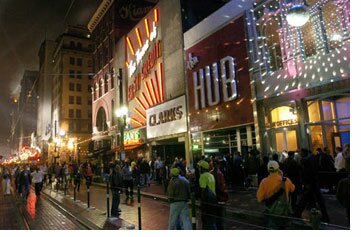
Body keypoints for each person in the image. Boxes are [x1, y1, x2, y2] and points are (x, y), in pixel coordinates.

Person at [257, 160, 295, 229]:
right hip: (284, 212)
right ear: (278, 168)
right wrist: (282, 176)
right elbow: (292, 189)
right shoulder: (285, 180)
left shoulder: (264, 182)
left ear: (268, 170)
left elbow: (260, 199)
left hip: (271, 212)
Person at [295, 148, 330, 223]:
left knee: (304, 199)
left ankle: (298, 213)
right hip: (314, 182)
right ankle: (325, 216)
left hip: (309, 183)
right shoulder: (312, 158)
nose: (300, 154)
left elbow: (306, 173)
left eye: (300, 152)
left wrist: (305, 182)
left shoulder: (305, 161)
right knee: (317, 199)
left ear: (303, 153)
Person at [198, 160, 217, 229]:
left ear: (203, 168)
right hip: (214, 198)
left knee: (206, 220)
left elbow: (203, 190)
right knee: (212, 219)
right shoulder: (211, 175)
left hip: (207, 200)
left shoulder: (203, 176)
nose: (199, 169)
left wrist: (201, 202)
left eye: (200, 167)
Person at [211, 158, 229, 230]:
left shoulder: (211, 173)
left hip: (213, 197)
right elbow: (222, 186)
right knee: (221, 217)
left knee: (215, 217)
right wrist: (225, 195)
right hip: (220, 197)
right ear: (219, 164)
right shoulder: (220, 174)